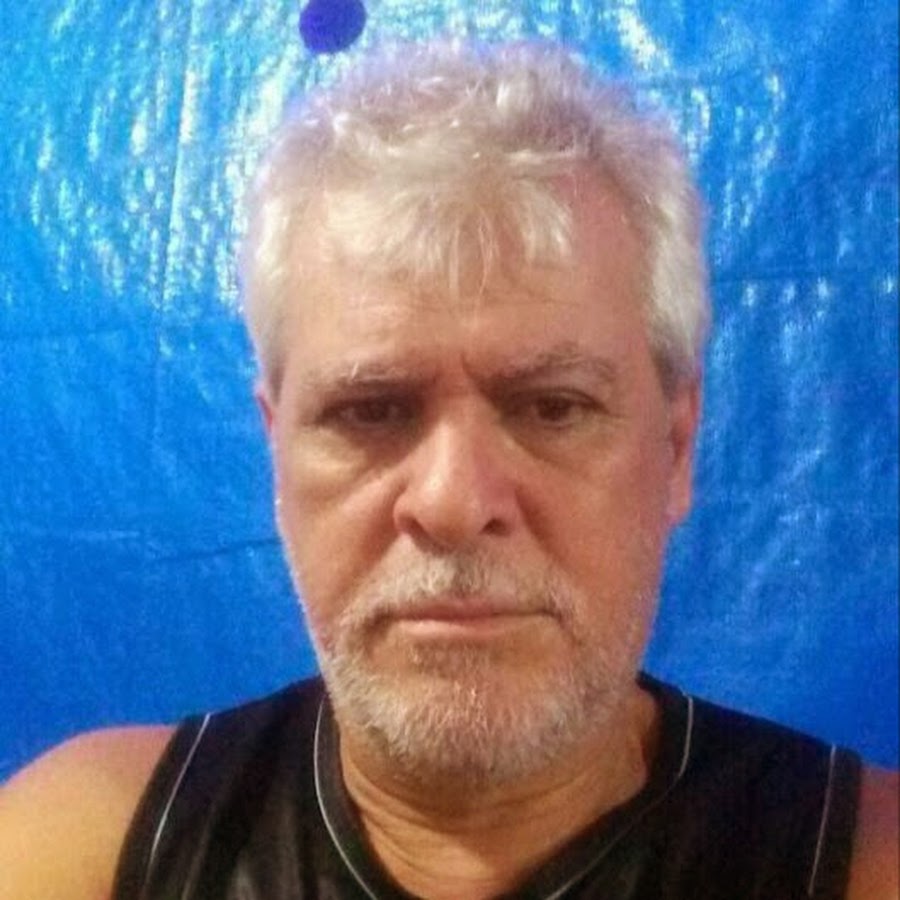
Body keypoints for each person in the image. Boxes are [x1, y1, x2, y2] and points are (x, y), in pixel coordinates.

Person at [0, 40, 896, 900]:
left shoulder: (862, 863)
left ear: (676, 448)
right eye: (369, 411)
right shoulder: (90, 849)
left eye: (553, 407)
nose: (454, 502)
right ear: (277, 451)